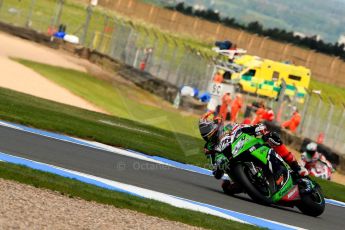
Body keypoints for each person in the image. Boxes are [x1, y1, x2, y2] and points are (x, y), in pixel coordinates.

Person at [199, 112, 309, 194]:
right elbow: (215, 170)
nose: (205, 133)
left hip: (247, 148)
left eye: (206, 129)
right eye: (203, 131)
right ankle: (254, 187)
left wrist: (259, 129)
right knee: (226, 187)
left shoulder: (230, 127)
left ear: (215, 124)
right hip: (233, 166)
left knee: (272, 137)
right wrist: (218, 167)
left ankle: (296, 167)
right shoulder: (208, 148)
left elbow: (248, 128)